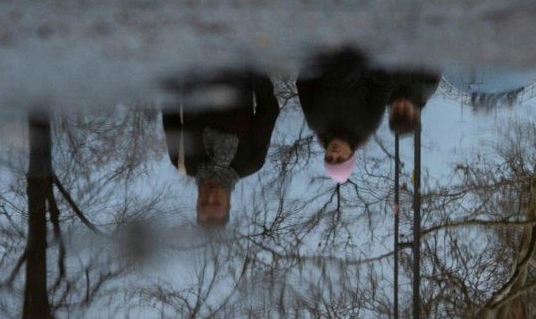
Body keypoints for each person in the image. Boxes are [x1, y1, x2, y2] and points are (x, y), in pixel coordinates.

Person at [162, 71, 280, 229]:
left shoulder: (182, 162)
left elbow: (170, 113)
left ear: (197, 203)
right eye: (216, 203)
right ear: (228, 204)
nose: (210, 196)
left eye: (204, 203)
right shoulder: (251, 161)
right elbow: (268, 111)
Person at [296, 48, 389, 186]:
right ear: (350, 155)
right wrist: (360, 66)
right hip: (361, 48)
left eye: (329, 158)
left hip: (324, 46)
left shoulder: (315, 123)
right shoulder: (367, 124)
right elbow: (384, 84)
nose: (334, 154)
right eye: (340, 159)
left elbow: (304, 83)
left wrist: (318, 61)